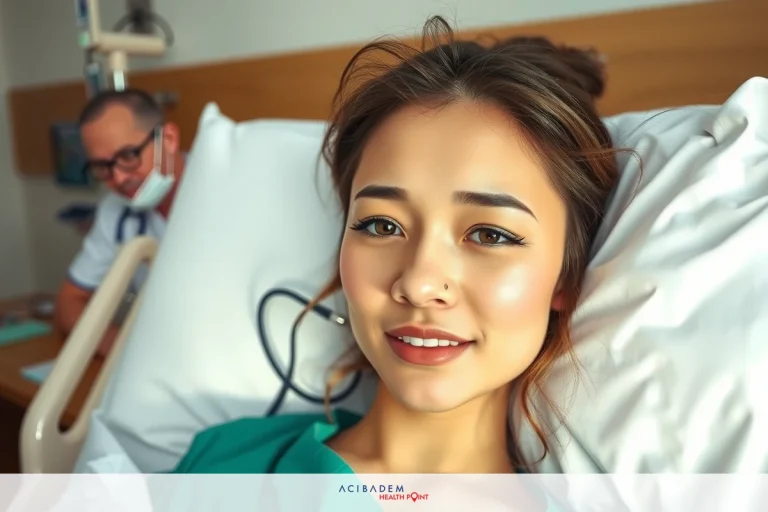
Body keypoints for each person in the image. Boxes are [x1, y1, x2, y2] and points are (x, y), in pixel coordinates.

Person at [173, 14, 620, 495]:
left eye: (490, 235)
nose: (419, 282)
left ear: (565, 279)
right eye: (382, 225)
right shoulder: (224, 465)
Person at [54, 88, 185, 357]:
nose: (119, 179)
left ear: (168, 139)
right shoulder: (115, 211)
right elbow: (69, 303)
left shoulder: (225, 189)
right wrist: (127, 355)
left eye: (128, 155)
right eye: (102, 167)